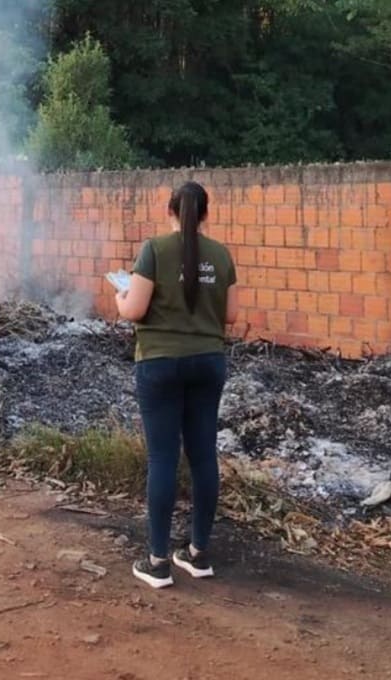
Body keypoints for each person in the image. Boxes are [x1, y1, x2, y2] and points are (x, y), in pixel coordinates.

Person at [114, 181, 239, 589]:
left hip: (160, 364)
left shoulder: (153, 250)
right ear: (206, 213)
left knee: (163, 459)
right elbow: (231, 316)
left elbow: (134, 309)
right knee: (203, 456)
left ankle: (158, 561)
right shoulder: (221, 256)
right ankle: (199, 554)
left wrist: (120, 297)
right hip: (208, 363)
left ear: (169, 210)